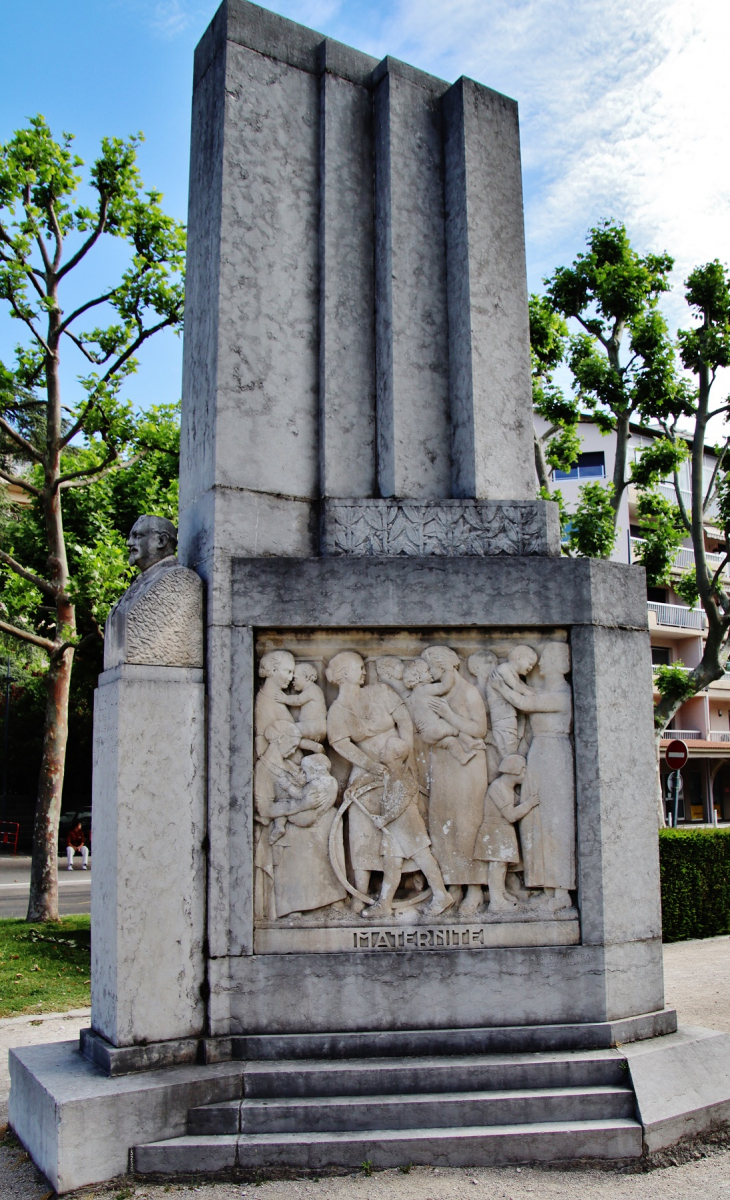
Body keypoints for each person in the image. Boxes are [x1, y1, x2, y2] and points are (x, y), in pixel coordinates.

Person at [326, 650, 414, 913]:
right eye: (358, 667)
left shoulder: (380, 692)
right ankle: (360, 892)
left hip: (398, 771)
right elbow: (340, 743)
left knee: (401, 829)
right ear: (343, 674)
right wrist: (372, 766)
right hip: (365, 775)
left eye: (364, 667)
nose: (363, 671)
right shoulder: (337, 710)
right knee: (361, 832)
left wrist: (404, 756)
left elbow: (404, 720)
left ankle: (407, 882)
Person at [492, 642, 575, 912]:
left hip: (554, 755)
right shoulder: (546, 690)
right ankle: (547, 888)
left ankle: (561, 892)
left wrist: (499, 685)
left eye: (547, 659)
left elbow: (526, 702)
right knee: (535, 823)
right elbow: (528, 692)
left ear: (562, 664)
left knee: (554, 823)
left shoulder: (562, 694)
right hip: (539, 753)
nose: (540, 665)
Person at [420, 646, 490, 916]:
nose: (430, 673)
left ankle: (474, 888)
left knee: (467, 821)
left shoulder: (468, 692)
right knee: (442, 820)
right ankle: (453, 883)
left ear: (443, 666)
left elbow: (479, 729)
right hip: (443, 763)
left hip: (468, 765)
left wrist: (449, 715)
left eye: (432, 668)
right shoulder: (433, 692)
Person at [360, 737, 453, 919]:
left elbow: (401, 804)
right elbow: (370, 776)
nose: (381, 750)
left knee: (425, 860)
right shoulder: (388, 772)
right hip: (393, 830)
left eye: (386, 748)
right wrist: (354, 787)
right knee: (391, 865)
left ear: (395, 755)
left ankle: (441, 895)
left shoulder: (407, 777)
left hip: (409, 828)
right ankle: (384, 905)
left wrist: (384, 819)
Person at [473, 755, 539, 913]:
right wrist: (529, 804)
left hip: (503, 830)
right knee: (497, 866)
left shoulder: (507, 788)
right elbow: (510, 814)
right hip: (495, 830)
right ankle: (496, 901)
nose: (525, 774)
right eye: (524, 770)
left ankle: (500, 892)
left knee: (501, 866)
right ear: (514, 771)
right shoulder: (498, 787)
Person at [402, 658, 483, 765]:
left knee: (450, 742)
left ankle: (462, 757)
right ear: (418, 677)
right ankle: (470, 742)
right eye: (426, 671)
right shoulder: (424, 689)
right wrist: (448, 670)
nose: (430, 673)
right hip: (437, 728)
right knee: (458, 728)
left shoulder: (412, 696)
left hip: (426, 735)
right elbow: (445, 686)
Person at [284, 662, 328, 743]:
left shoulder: (312, 689)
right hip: (314, 727)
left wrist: (284, 698)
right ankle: (315, 747)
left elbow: (298, 700)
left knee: (288, 731)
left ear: (306, 677)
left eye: (295, 679)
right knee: (295, 740)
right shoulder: (313, 689)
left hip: (314, 726)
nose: (292, 683)